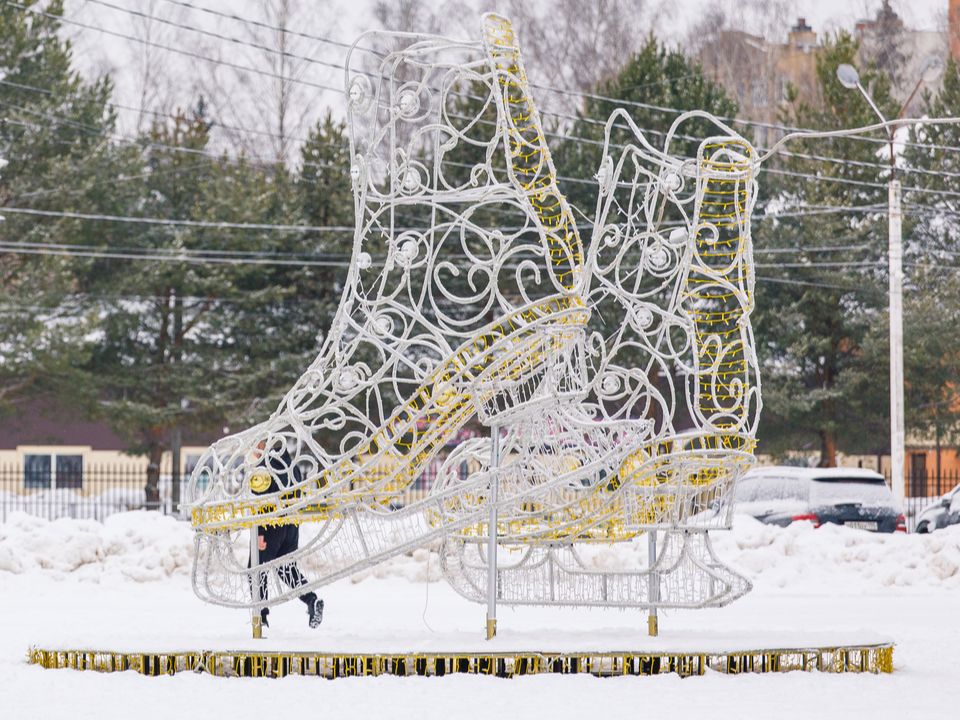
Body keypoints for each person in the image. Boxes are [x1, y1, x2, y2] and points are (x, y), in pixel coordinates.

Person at [248, 439, 324, 629]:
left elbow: (260, 503)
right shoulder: (292, 466)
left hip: (271, 527)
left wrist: (259, 534)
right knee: (286, 569)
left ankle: (261, 617)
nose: (252, 451)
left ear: (261, 446)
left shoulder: (263, 468)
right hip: (291, 526)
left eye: (253, 446)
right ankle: (311, 599)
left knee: (255, 569)